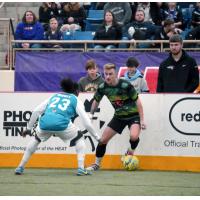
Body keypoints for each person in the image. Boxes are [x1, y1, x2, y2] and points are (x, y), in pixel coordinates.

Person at [15, 78, 100, 176]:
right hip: (62, 125)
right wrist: (97, 138)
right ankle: (81, 168)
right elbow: (87, 122)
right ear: (76, 91)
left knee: (36, 139)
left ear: (62, 88)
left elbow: (36, 111)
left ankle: (20, 167)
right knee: (79, 138)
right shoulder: (75, 99)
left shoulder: (54, 96)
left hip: (44, 123)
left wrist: (28, 128)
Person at [86, 63, 146, 171]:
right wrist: (90, 115)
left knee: (133, 136)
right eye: (106, 74)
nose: (108, 76)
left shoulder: (125, 85)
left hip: (133, 116)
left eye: (111, 74)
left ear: (116, 74)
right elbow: (96, 101)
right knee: (102, 140)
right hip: (118, 117)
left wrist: (142, 120)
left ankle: (130, 151)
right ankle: (96, 164)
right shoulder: (103, 87)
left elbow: (138, 102)